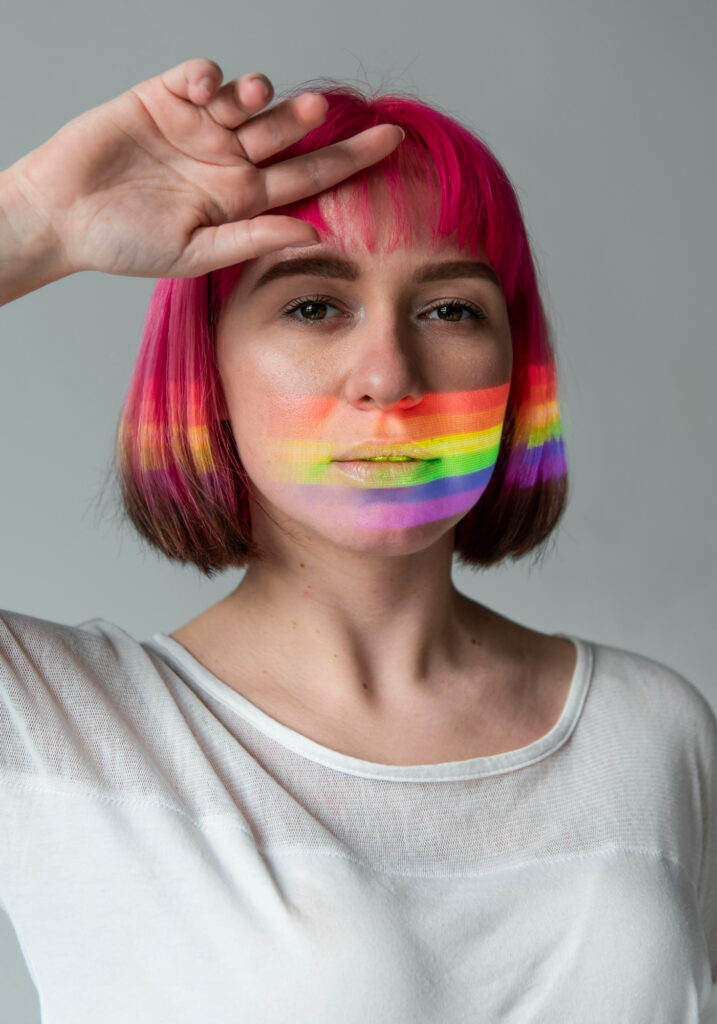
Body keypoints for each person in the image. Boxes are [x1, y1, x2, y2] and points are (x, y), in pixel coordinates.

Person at [0, 57, 714, 1023]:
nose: (388, 374)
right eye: (312, 305)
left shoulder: (653, 731)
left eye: (451, 309)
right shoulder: (50, 727)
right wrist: (31, 225)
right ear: (206, 367)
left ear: (514, 364)